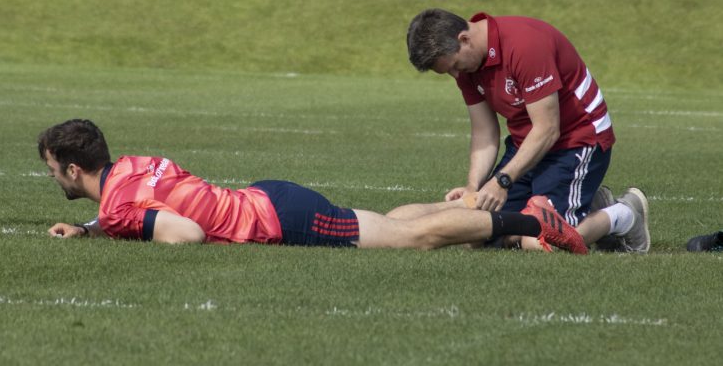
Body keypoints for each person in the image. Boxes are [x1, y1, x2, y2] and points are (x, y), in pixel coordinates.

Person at [39, 119, 588, 254]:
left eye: (50, 167)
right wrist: (92, 227)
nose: (50, 177)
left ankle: (532, 222)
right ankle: (475, 207)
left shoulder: (117, 211)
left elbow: (183, 233)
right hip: (268, 196)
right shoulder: (133, 166)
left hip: (281, 219)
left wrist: (112, 229)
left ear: (71, 169)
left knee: (410, 241)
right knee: (394, 225)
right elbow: (142, 205)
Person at [406, 8, 649, 253]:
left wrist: (502, 181)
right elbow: (484, 132)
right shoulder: (468, 65)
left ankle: (625, 214)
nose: (455, 75)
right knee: (481, 231)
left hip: (576, 141)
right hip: (527, 144)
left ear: (464, 39)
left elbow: (548, 129)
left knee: (542, 242)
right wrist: (473, 186)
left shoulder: (525, 45)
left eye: (455, 66)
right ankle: (587, 206)